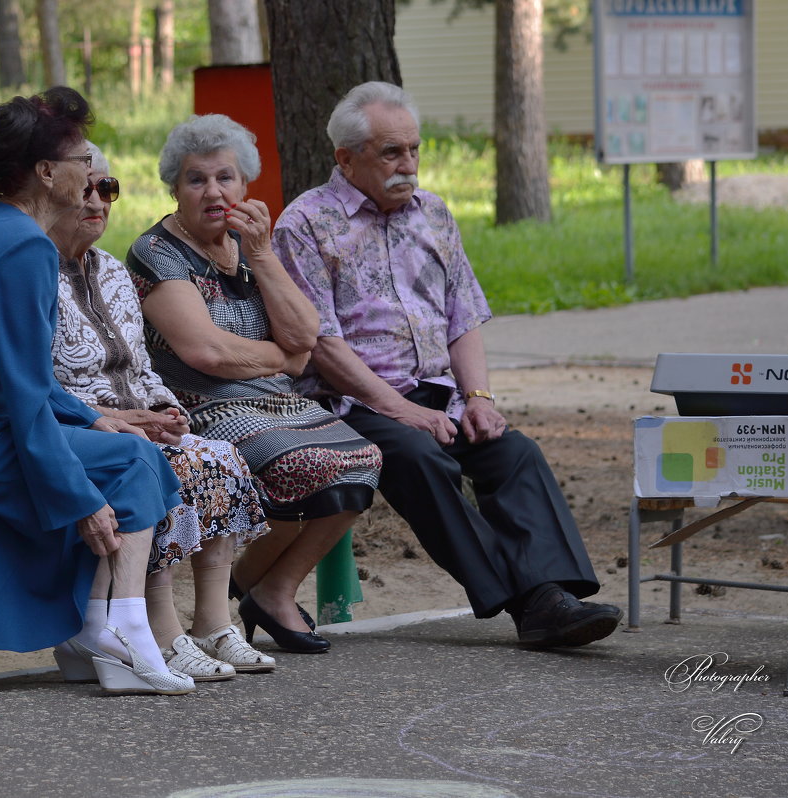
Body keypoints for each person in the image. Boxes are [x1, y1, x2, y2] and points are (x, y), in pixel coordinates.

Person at [272, 81, 622, 648]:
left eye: (413, 149)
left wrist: (479, 399)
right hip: (354, 402)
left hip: (439, 393)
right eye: (391, 152)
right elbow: (323, 345)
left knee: (512, 452)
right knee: (418, 457)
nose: (407, 163)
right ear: (346, 158)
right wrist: (402, 411)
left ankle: (551, 593)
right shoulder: (305, 225)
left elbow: (463, 316)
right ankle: (533, 603)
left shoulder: (433, 214)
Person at [0, 88, 194, 696]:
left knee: (124, 450)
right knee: (133, 461)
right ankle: (124, 627)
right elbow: (25, 395)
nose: (92, 174)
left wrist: (90, 416)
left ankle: (91, 632)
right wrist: (78, 497)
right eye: (82, 160)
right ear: (48, 172)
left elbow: (22, 377)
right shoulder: (22, 247)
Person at [127, 115, 383, 654]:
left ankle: (270, 590)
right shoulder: (157, 252)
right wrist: (284, 360)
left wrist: (263, 256)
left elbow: (305, 333)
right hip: (200, 407)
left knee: (363, 459)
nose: (213, 191)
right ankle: (234, 603)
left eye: (226, 178)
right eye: (196, 179)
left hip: (275, 403)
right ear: (175, 188)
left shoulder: (252, 246)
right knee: (302, 466)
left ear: (245, 187)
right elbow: (206, 351)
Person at [49, 141, 275, 679]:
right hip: (84, 426)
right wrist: (127, 421)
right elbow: (41, 384)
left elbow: (142, 366)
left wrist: (165, 410)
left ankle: (214, 625)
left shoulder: (109, 271)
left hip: (138, 420)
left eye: (107, 189)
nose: (97, 202)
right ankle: (162, 631)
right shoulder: (38, 274)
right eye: (85, 190)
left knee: (217, 455)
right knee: (171, 466)